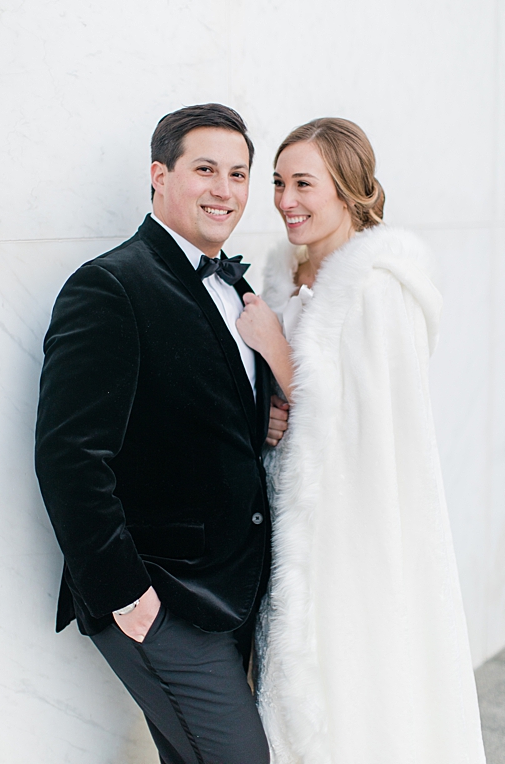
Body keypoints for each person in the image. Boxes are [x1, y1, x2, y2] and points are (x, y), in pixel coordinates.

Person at [238, 117, 486, 763]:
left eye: (303, 184)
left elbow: (374, 429)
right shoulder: (284, 280)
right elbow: (292, 416)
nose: (286, 199)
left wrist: (276, 357)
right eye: (278, 182)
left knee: (353, 692)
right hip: (286, 530)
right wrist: (268, 412)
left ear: (348, 189)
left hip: (353, 534)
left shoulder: (377, 289)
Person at [34, 104, 273, 763]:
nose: (224, 190)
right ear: (159, 175)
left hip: (229, 592)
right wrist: (129, 598)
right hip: (160, 597)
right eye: (205, 169)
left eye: (239, 173)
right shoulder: (111, 285)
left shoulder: (239, 290)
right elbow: (69, 455)